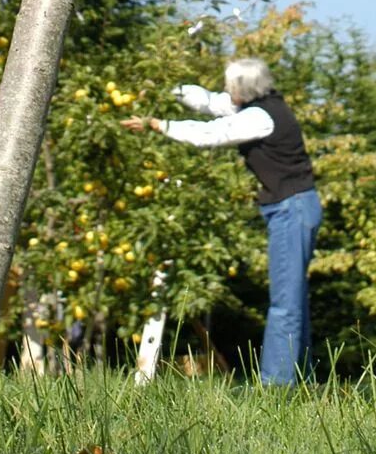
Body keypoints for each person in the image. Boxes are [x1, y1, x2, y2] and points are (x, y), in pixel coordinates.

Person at [122, 57, 322, 386]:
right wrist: (168, 89)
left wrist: (160, 125)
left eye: (231, 86)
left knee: (285, 303)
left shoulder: (259, 117)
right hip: (292, 207)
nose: (227, 92)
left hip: (292, 208)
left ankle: (277, 387)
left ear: (245, 88)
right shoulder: (259, 105)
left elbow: (210, 134)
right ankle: (302, 378)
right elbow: (210, 102)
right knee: (292, 298)